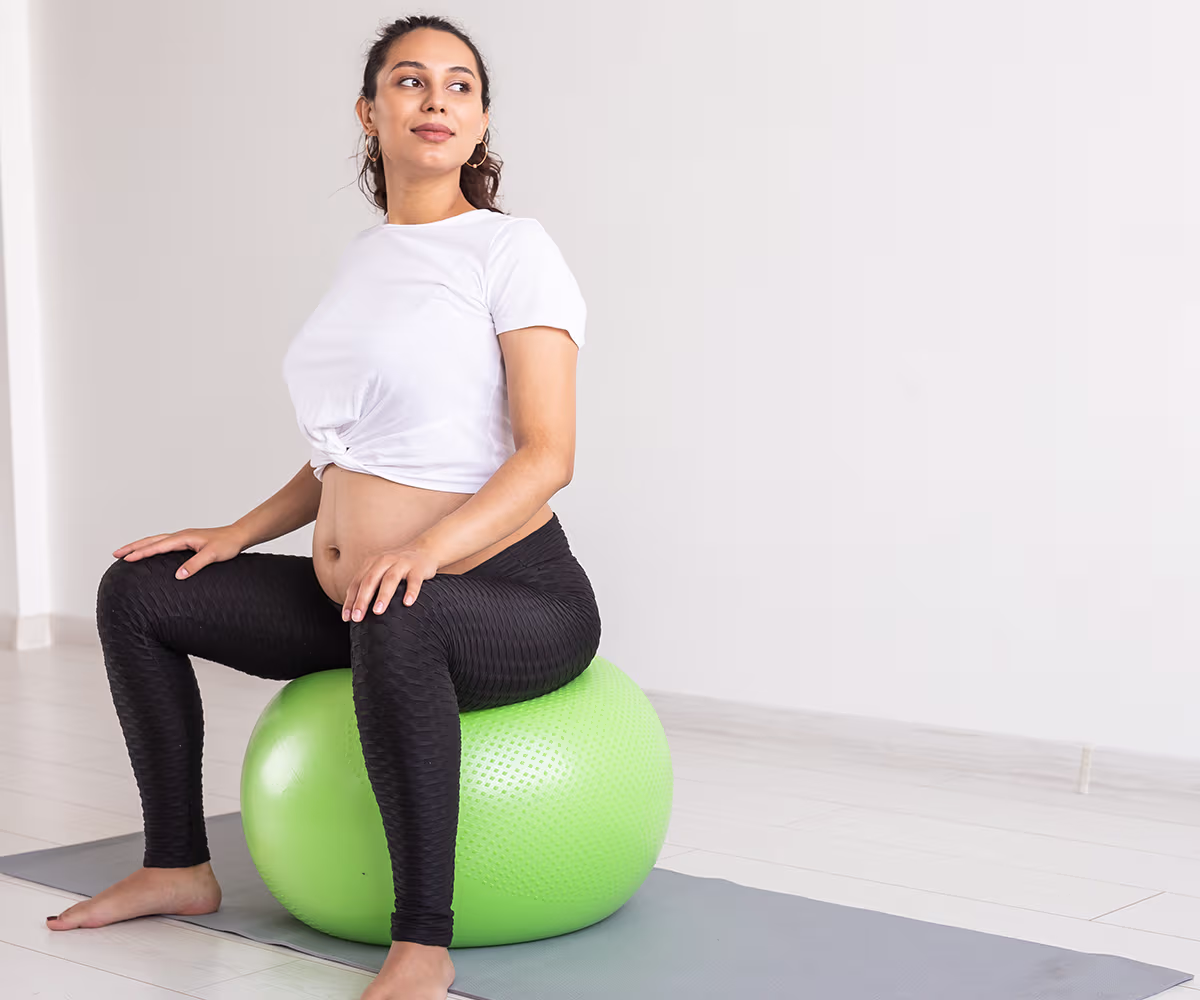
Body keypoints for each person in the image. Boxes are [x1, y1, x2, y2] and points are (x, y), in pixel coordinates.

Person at [44, 16, 600, 1000]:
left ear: (478, 123)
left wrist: (426, 552)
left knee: (398, 611)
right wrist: (237, 532)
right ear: (369, 111)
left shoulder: (512, 250)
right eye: (410, 80)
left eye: (460, 85)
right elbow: (340, 457)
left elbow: (547, 455)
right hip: (373, 605)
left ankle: (423, 940)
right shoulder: (363, 259)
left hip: (512, 596)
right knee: (138, 590)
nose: (436, 99)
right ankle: (177, 864)